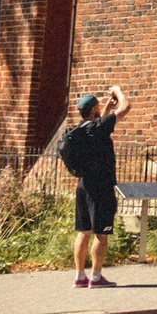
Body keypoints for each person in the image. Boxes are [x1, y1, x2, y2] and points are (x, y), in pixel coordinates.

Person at [59, 82, 131, 285]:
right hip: (101, 187)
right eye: (97, 108)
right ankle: (96, 277)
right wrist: (118, 91)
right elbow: (126, 107)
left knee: (83, 232)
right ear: (93, 110)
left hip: (83, 185)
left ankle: (79, 276)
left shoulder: (79, 131)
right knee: (101, 233)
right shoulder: (98, 128)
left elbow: (100, 126)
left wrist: (106, 107)